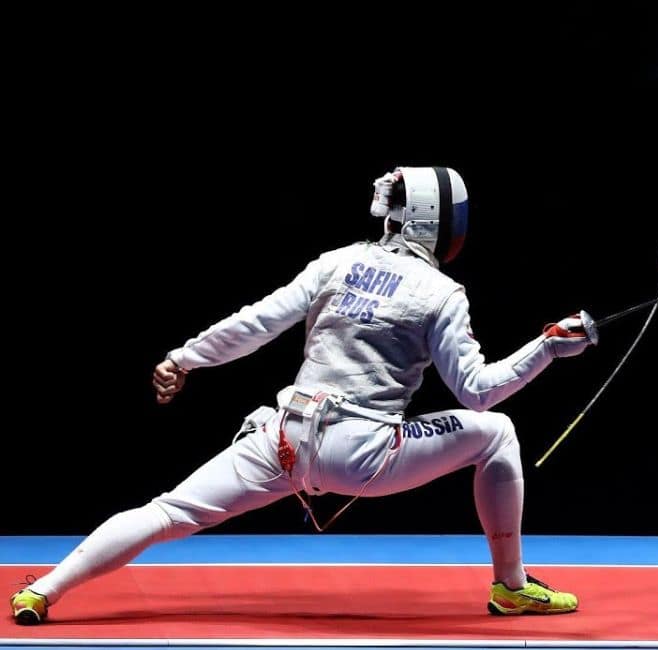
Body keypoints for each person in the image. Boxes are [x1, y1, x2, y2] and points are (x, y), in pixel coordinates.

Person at [11, 165, 596, 625]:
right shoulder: (442, 293)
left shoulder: (335, 263)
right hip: (367, 454)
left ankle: (44, 588)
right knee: (498, 434)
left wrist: (182, 358)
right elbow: (478, 393)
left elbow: (256, 322)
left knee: (167, 511)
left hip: (283, 439)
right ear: (437, 222)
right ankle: (512, 587)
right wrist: (546, 347)